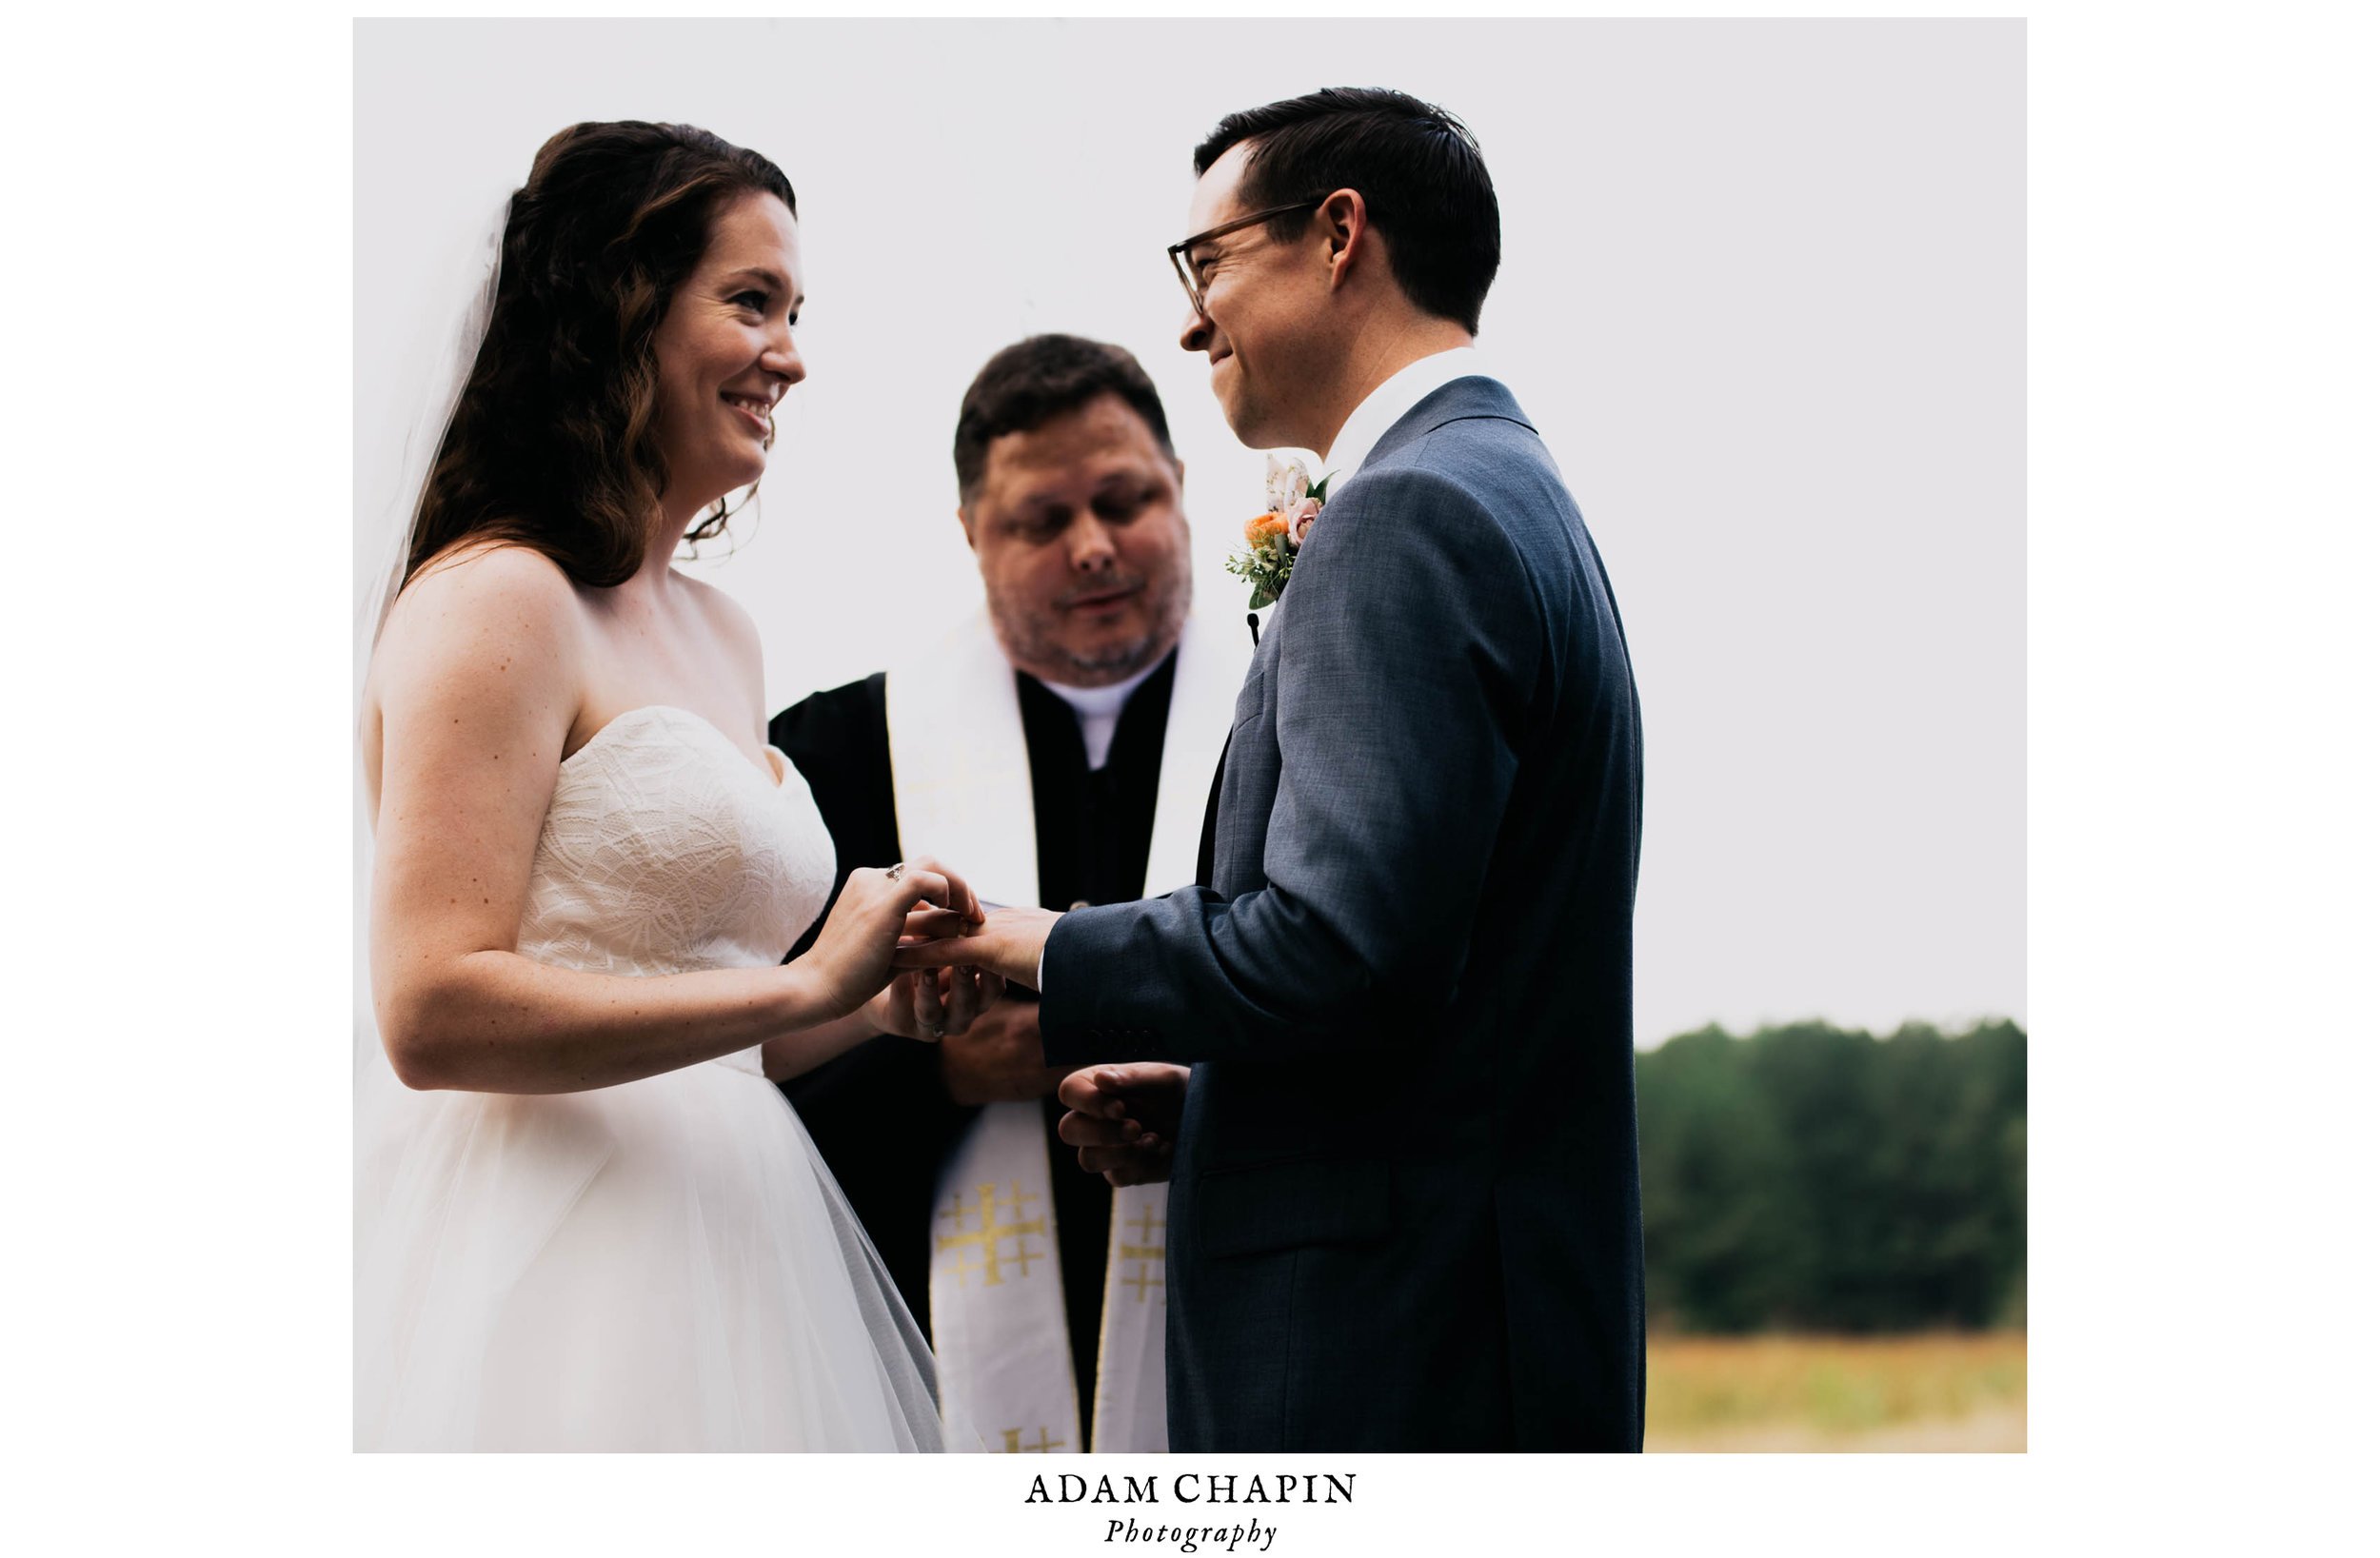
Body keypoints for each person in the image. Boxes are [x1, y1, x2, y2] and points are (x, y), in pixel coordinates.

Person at [907, 88, 1648, 1450]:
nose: (1192, 318)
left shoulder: (1407, 512)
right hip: (1474, 1313)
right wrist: (1223, 1115)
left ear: (1338, 236)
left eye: (1209, 261)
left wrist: (1030, 937)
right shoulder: (1510, 484)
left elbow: (1336, 947)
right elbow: (1438, 988)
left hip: (1384, 1349)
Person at [354, 120, 992, 1451]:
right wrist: (811, 980)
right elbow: (431, 1008)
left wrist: (871, 1002)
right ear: (617, 308)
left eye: (797, 310)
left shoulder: (725, 632)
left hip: (745, 1230)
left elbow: (714, 1015)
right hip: (554, 1234)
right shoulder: (497, 599)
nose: (793, 354)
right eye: (751, 302)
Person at [771, 335, 1243, 1452]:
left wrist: (1209, 1086)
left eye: (1125, 500)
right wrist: (933, 1066)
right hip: (919, 1355)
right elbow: (748, 1069)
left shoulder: (1291, 722)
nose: (1093, 548)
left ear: (1179, 489)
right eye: (1042, 520)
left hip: (1237, 1336)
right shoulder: (834, 758)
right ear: (972, 533)